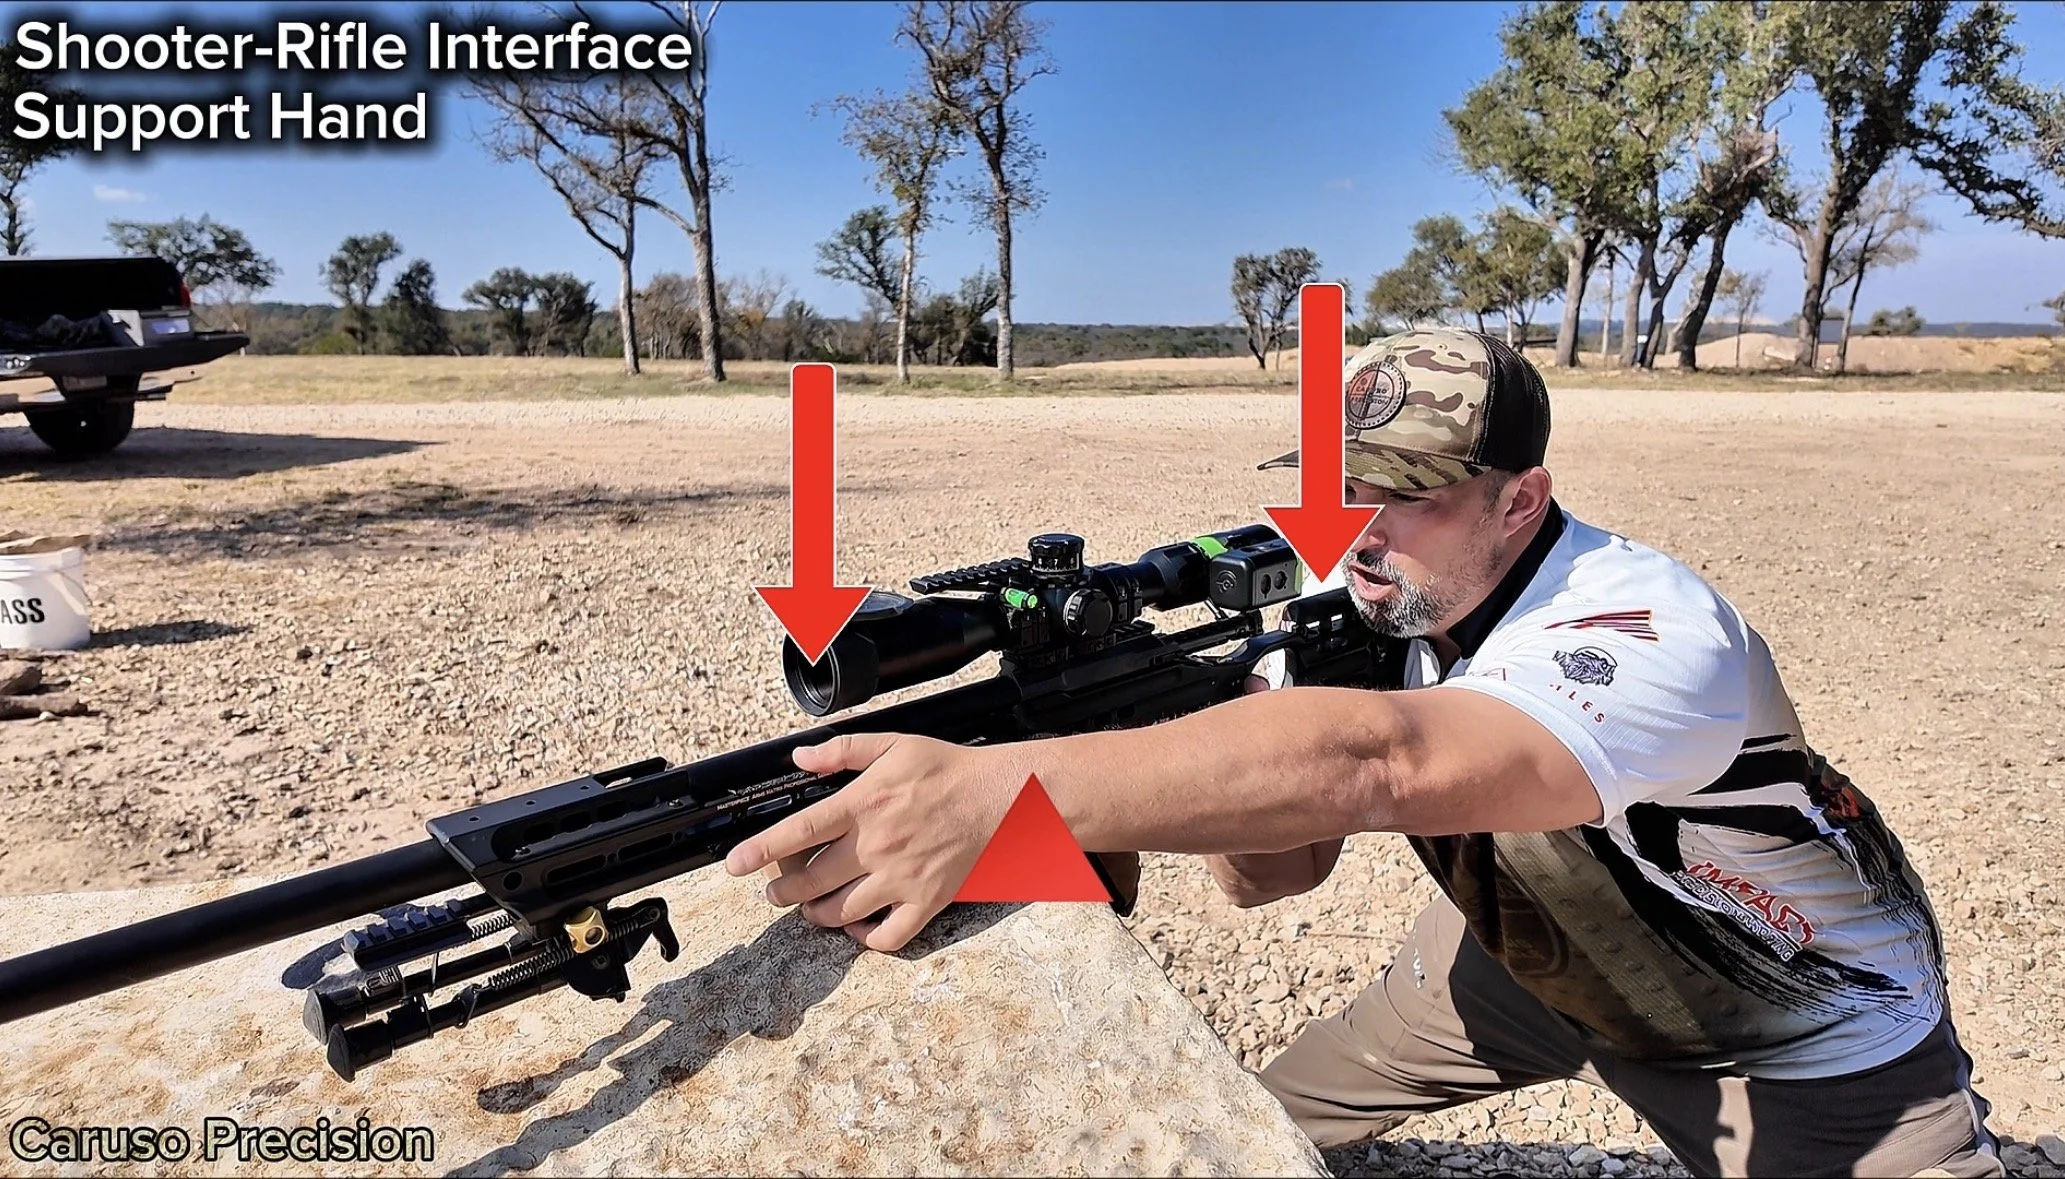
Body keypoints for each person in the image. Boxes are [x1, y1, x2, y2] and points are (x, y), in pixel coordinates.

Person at [723, 328, 1998, 1178]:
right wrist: (1154, 731)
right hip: (1510, 955)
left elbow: (1381, 761)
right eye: (1342, 485)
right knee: (1241, 1142)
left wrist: (999, 793)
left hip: (1796, 1030)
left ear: (1521, 499)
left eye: (1407, 496)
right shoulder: (1369, 611)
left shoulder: (1644, 625)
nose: (1358, 532)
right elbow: (1271, 877)